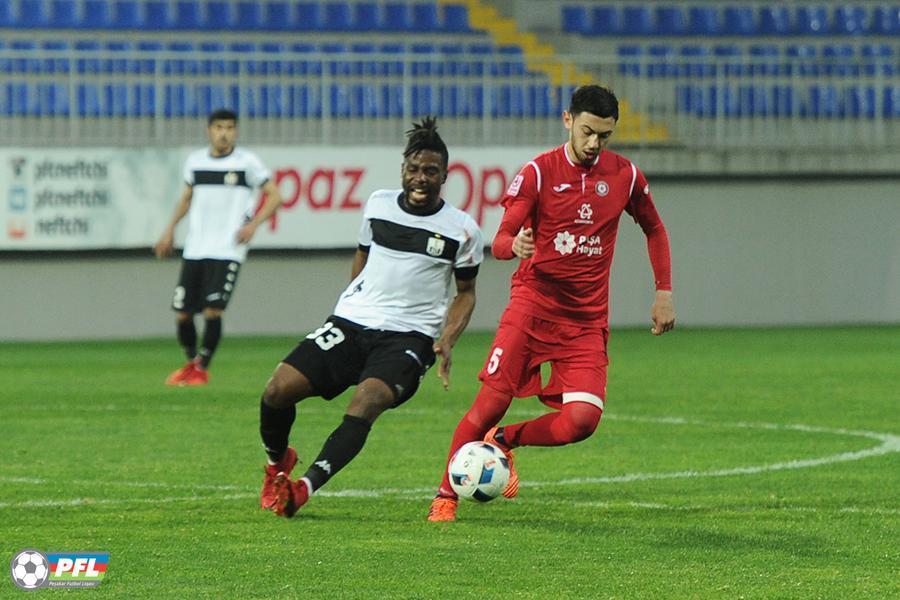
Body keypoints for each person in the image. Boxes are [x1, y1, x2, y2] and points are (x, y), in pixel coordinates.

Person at [427, 85, 676, 522]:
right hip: (532, 307)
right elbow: (500, 240)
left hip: (585, 321)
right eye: (587, 132)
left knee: (582, 420)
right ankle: (446, 495)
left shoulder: (626, 176)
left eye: (604, 135)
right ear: (567, 120)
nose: (594, 143)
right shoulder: (539, 173)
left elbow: (654, 229)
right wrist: (515, 245)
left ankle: (504, 440)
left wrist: (664, 291)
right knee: (489, 403)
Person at [259, 117, 484, 518]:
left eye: (430, 171)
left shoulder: (462, 230)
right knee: (277, 390)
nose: (420, 178)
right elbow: (362, 255)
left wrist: (447, 339)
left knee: (368, 400)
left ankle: (303, 488)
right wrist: (350, 304)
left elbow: (465, 292)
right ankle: (277, 466)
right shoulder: (378, 204)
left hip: (409, 337)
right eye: (413, 169)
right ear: (403, 169)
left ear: (444, 176)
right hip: (350, 324)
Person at [154, 109, 282, 386]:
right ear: (209, 130)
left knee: (213, 310)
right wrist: (169, 230)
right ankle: (192, 363)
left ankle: (202, 368)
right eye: (219, 127)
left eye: (230, 128)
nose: (224, 133)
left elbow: (274, 196)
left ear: (236, 131)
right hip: (196, 248)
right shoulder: (195, 161)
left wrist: (253, 225)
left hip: (227, 249)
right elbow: (186, 198)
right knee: (183, 313)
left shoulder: (247, 163)